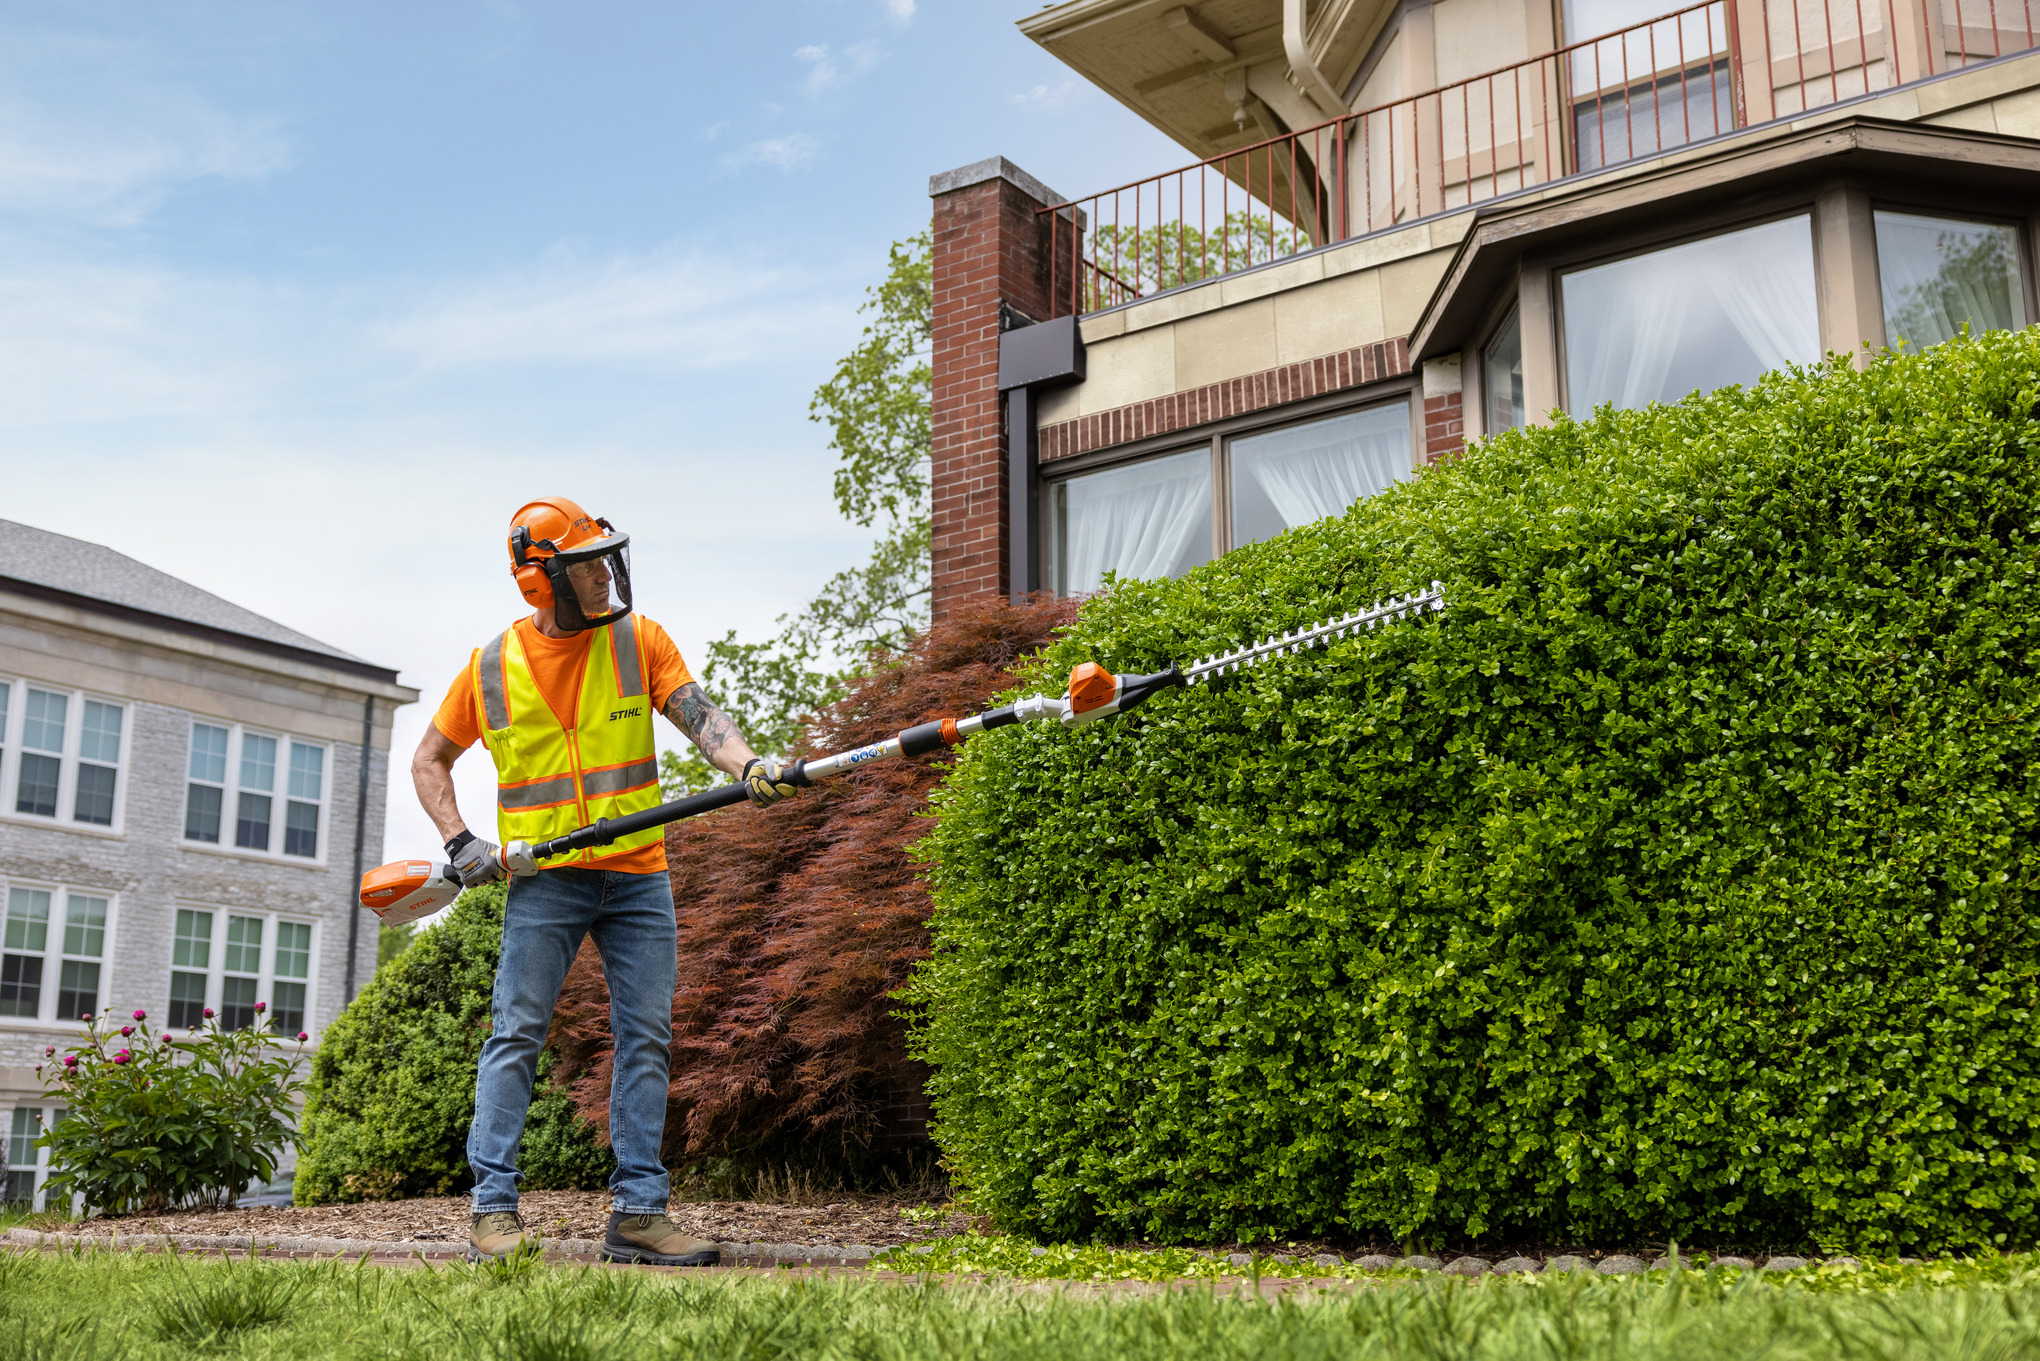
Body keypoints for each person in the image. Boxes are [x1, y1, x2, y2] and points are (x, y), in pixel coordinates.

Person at [414, 496, 800, 1266]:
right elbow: (429, 759)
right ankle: (493, 1211)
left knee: (646, 1037)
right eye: (585, 563)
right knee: (515, 1035)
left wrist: (748, 763)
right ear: (542, 580)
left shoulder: (639, 639)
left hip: (637, 877)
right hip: (545, 881)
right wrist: (461, 843)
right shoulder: (490, 668)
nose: (602, 574)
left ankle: (638, 1215)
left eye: (603, 557)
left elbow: (699, 715)